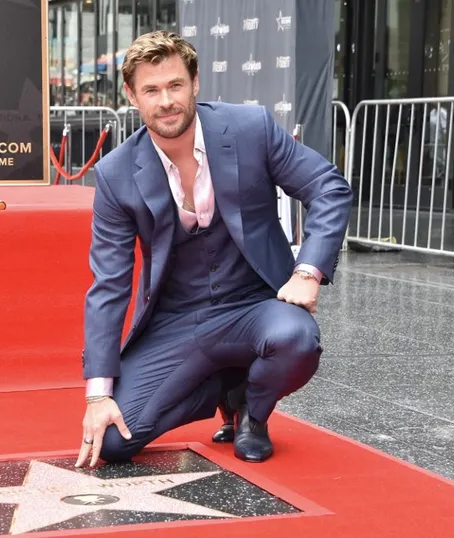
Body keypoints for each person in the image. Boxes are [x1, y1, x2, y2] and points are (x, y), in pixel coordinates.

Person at [75, 31, 352, 469]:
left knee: (296, 339)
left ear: (195, 82)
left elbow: (327, 187)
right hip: (176, 319)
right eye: (151, 90)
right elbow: (109, 285)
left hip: (254, 305)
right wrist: (98, 395)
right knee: (112, 441)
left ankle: (252, 410)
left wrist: (307, 272)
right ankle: (225, 384)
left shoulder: (250, 129)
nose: (166, 101)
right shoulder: (116, 173)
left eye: (175, 85)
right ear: (131, 95)